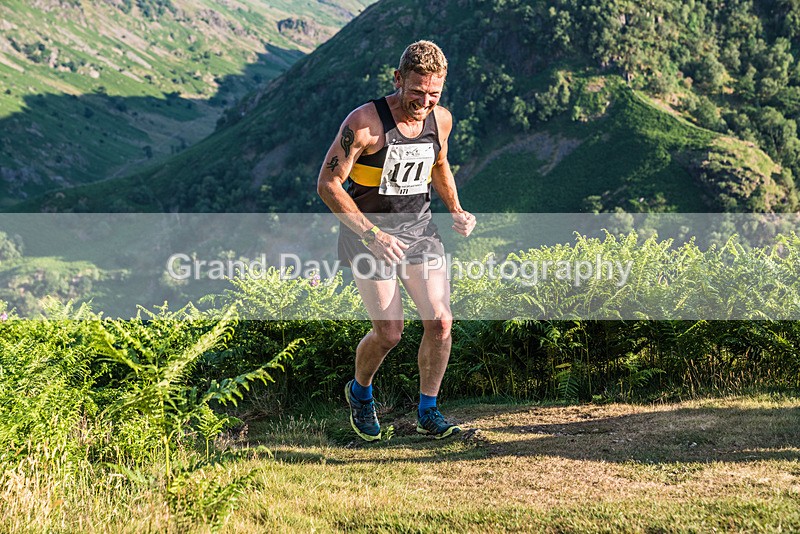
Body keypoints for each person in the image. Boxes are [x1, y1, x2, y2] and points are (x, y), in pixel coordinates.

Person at [317, 40, 476, 441]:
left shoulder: (441, 120)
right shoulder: (364, 123)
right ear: (398, 79)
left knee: (440, 321)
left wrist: (456, 208)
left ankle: (428, 410)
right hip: (367, 236)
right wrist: (373, 234)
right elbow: (328, 184)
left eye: (433, 93)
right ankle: (361, 392)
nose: (424, 101)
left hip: (419, 231)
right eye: (416, 91)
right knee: (389, 333)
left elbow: (439, 163)